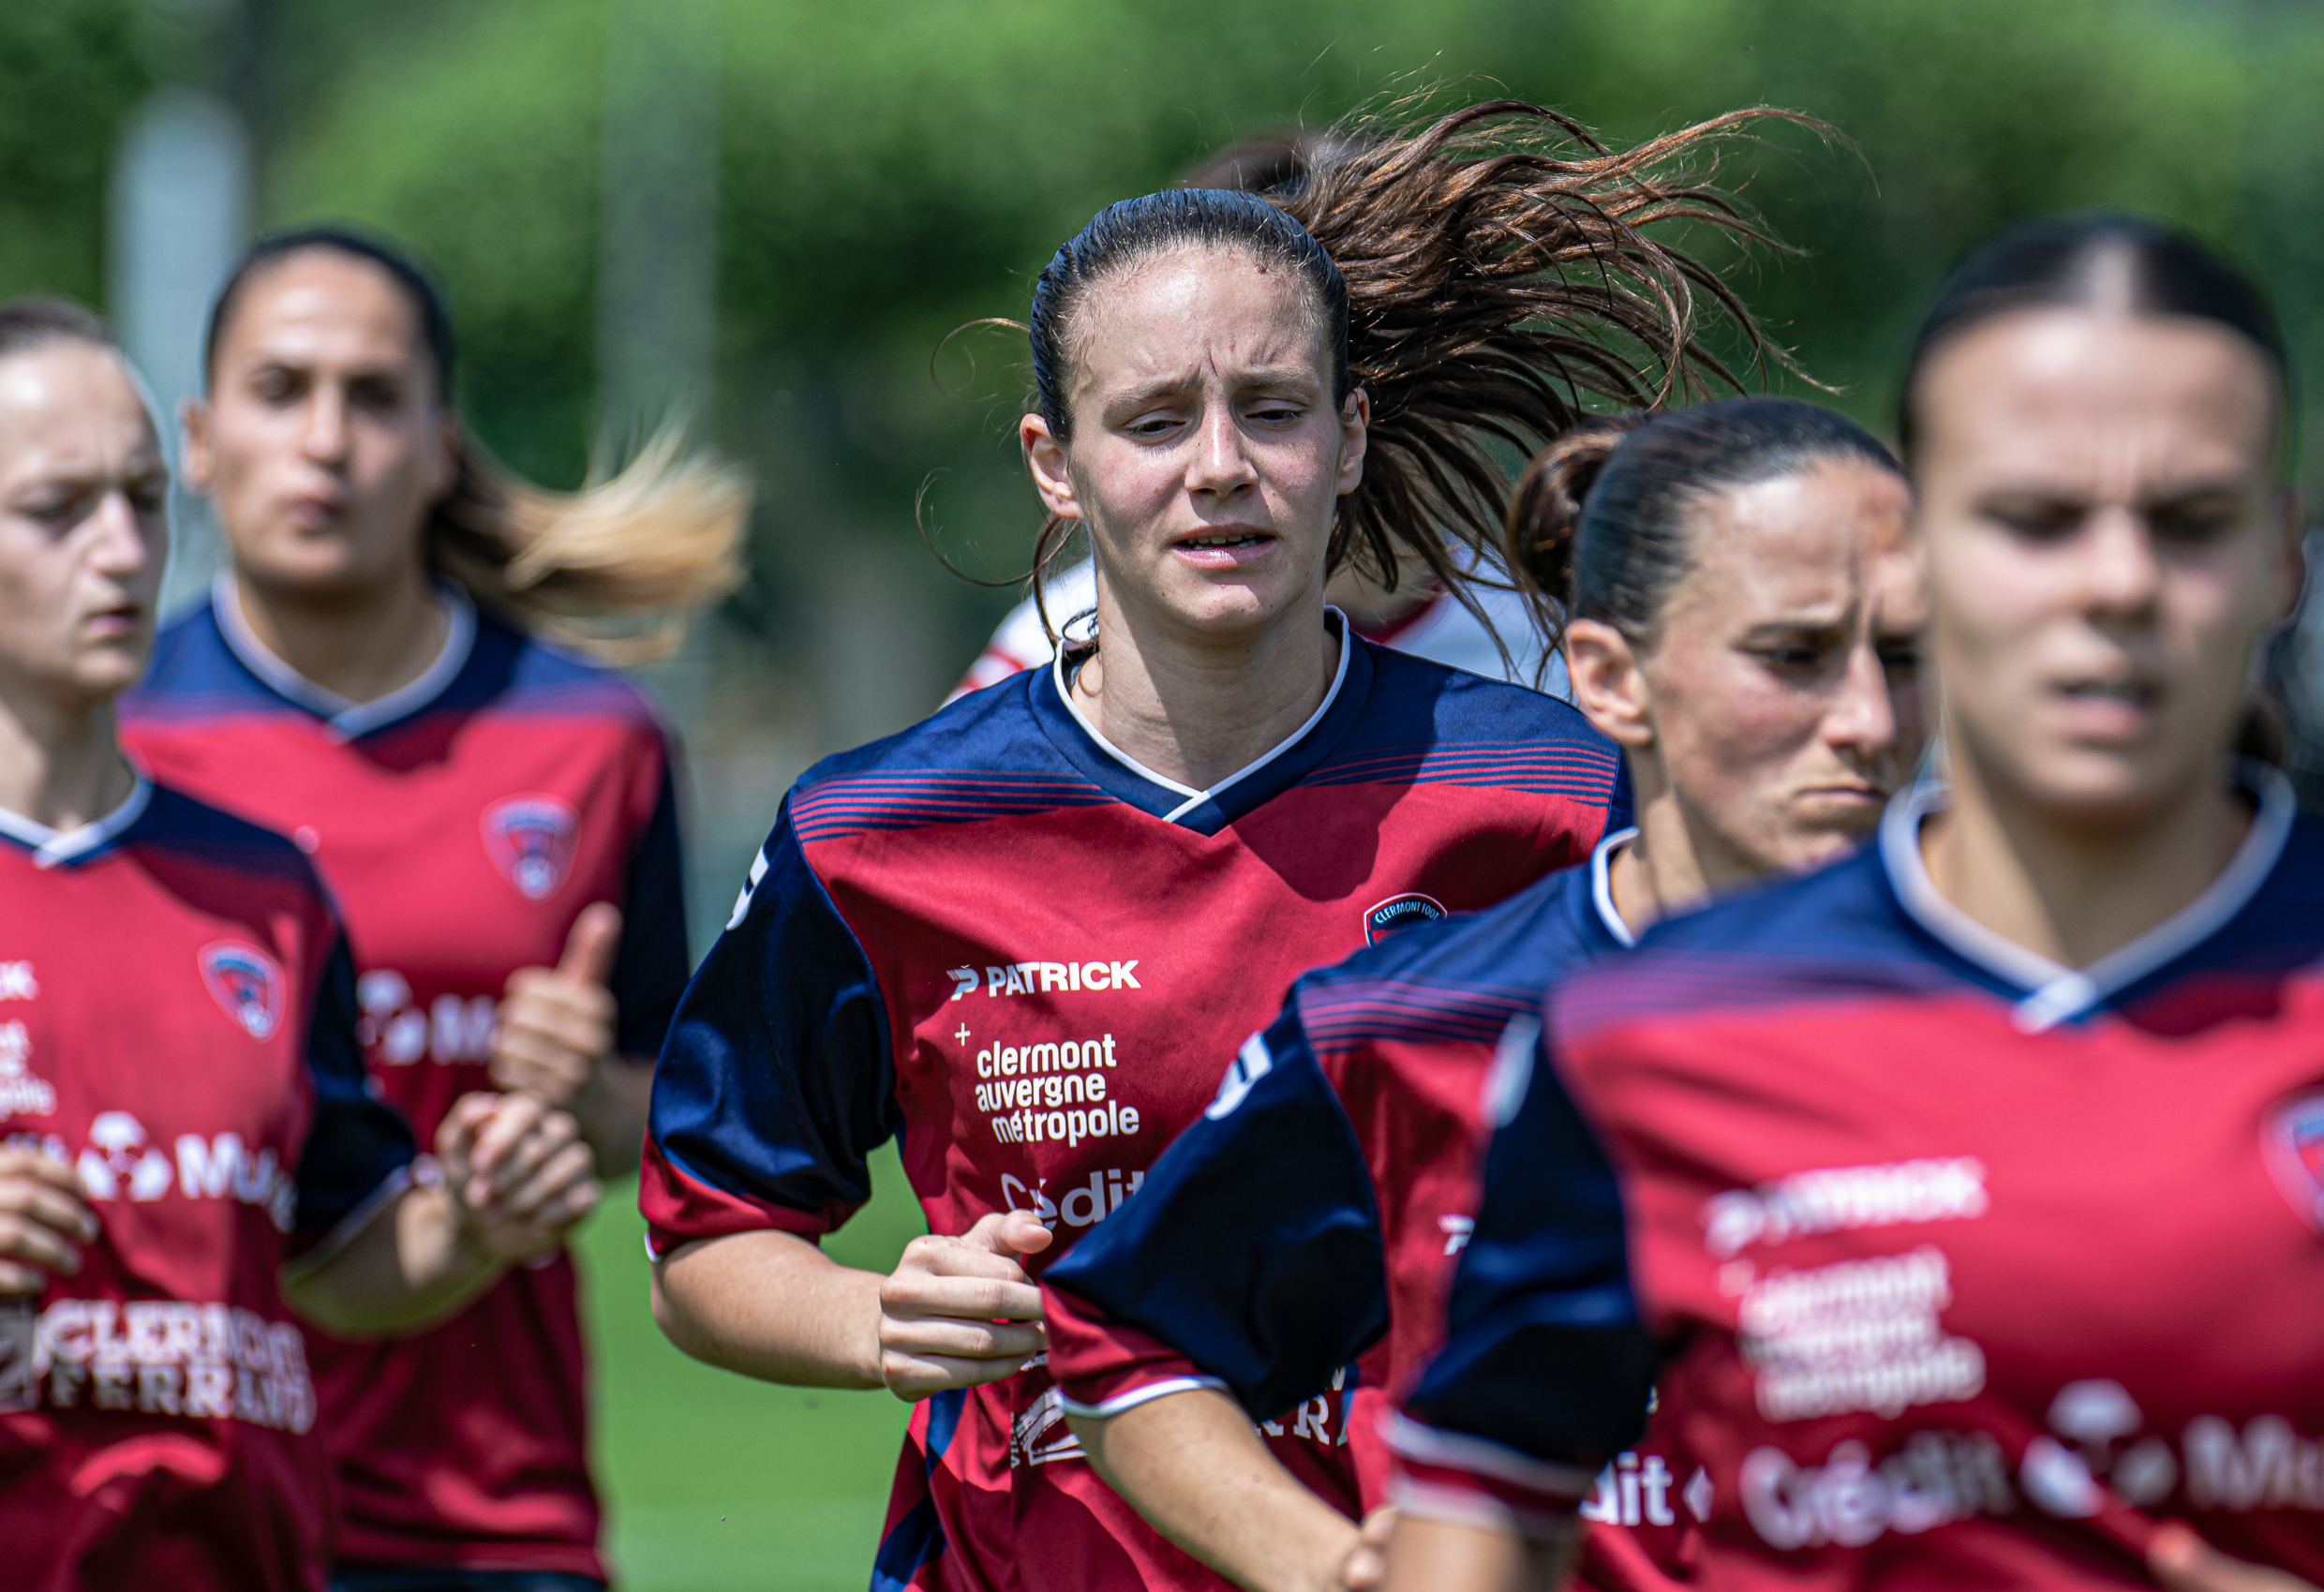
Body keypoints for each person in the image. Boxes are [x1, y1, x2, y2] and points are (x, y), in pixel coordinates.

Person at [644, 100, 1797, 1592]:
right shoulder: (877, 832)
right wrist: (877, 1317)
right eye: (1151, 422)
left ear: (1350, 434)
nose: (1220, 467)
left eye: (1272, 408)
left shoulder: (1559, 798)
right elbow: (706, 1248)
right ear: (1054, 462)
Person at [1382, 215, 2324, 1592]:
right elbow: (1486, 1496)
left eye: (2189, 523)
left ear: (2282, 556)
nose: (2116, 583)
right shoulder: (1647, 1033)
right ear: (1910, 554)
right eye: (2034, 519)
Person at [1039, 396, 1927, 1592]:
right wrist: (1327, 1568)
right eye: (1791, 657)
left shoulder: (2064, 1014)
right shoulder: (1405, 1030)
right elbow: (1124, 1340)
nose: (1868, 720)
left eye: (1905, 656)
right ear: (1610, 680)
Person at [115, 228, 747, 1590]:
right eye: (280, 390)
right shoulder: (107, 738)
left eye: (374, 395)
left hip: (487, 1514)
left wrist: (579, 1097)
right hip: (167, 1499)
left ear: (442, 445)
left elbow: (673, 1103)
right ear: (201, 441)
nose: (325, 439)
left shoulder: (593, 741)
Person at [0, 296, 600, 1589]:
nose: (122, 550)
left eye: (142, 499)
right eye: (57, 509)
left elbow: (333, 1257)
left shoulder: (265, 889)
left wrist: (473, 1218)